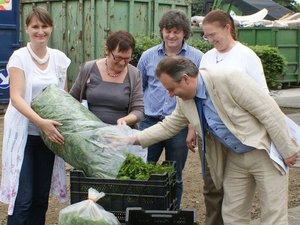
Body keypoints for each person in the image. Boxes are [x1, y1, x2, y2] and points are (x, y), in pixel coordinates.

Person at [132, 56, 299, 225]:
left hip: (264, 152)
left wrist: (287, 149)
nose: (170, 94)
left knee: (273, 214)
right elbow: (168, 126)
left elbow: (268, 112)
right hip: (235, 157)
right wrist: (133, 139)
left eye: (171, 89)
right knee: (232, 214)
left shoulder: (230, 79)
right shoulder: (184, 101)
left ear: (186, 79)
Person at [186, 9, 269, 225]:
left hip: (240, 136)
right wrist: (192, 128)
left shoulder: (246, 56)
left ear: (227, 27)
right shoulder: (207, 57)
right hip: (212, 135)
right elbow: (198, 96)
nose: (210, 40)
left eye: (213, 34)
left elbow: (263, 99)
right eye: (206, 36)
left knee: (236, 190)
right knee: (212, 185)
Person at [0, 7, 71, 225]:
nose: (40, 31)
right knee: (24, 199)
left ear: (52, 28)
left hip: (47, 138)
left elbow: (63, 97)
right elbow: (16, 98)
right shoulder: (19, 57)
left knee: (41, 198)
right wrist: (41, 122)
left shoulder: (59, 58)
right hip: (24, 136)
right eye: (35, 27)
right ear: (27, 29)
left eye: (44, 26)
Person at [137, 9, 203, 208]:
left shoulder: (197, 57)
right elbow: (140, 89)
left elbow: (200, 95)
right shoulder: (148, 56)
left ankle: (172, 214)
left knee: (174, 175)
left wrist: (192, 127)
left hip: (180, 127)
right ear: (161, 31)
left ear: (185, 33)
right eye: (167, 30)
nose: (172, 35)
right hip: (150, 122)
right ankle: (143, 212)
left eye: (177, 31)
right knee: (142, 172)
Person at [70, 30, 144, 128]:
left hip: (119, 136)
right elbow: (71, 100)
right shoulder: (88, 69)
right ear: (107, 50)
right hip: (89, 133)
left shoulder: (134, 74)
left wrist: (125, 120)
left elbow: (139, 110)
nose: (122, 63)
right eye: (118, 58)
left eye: (127, 59)